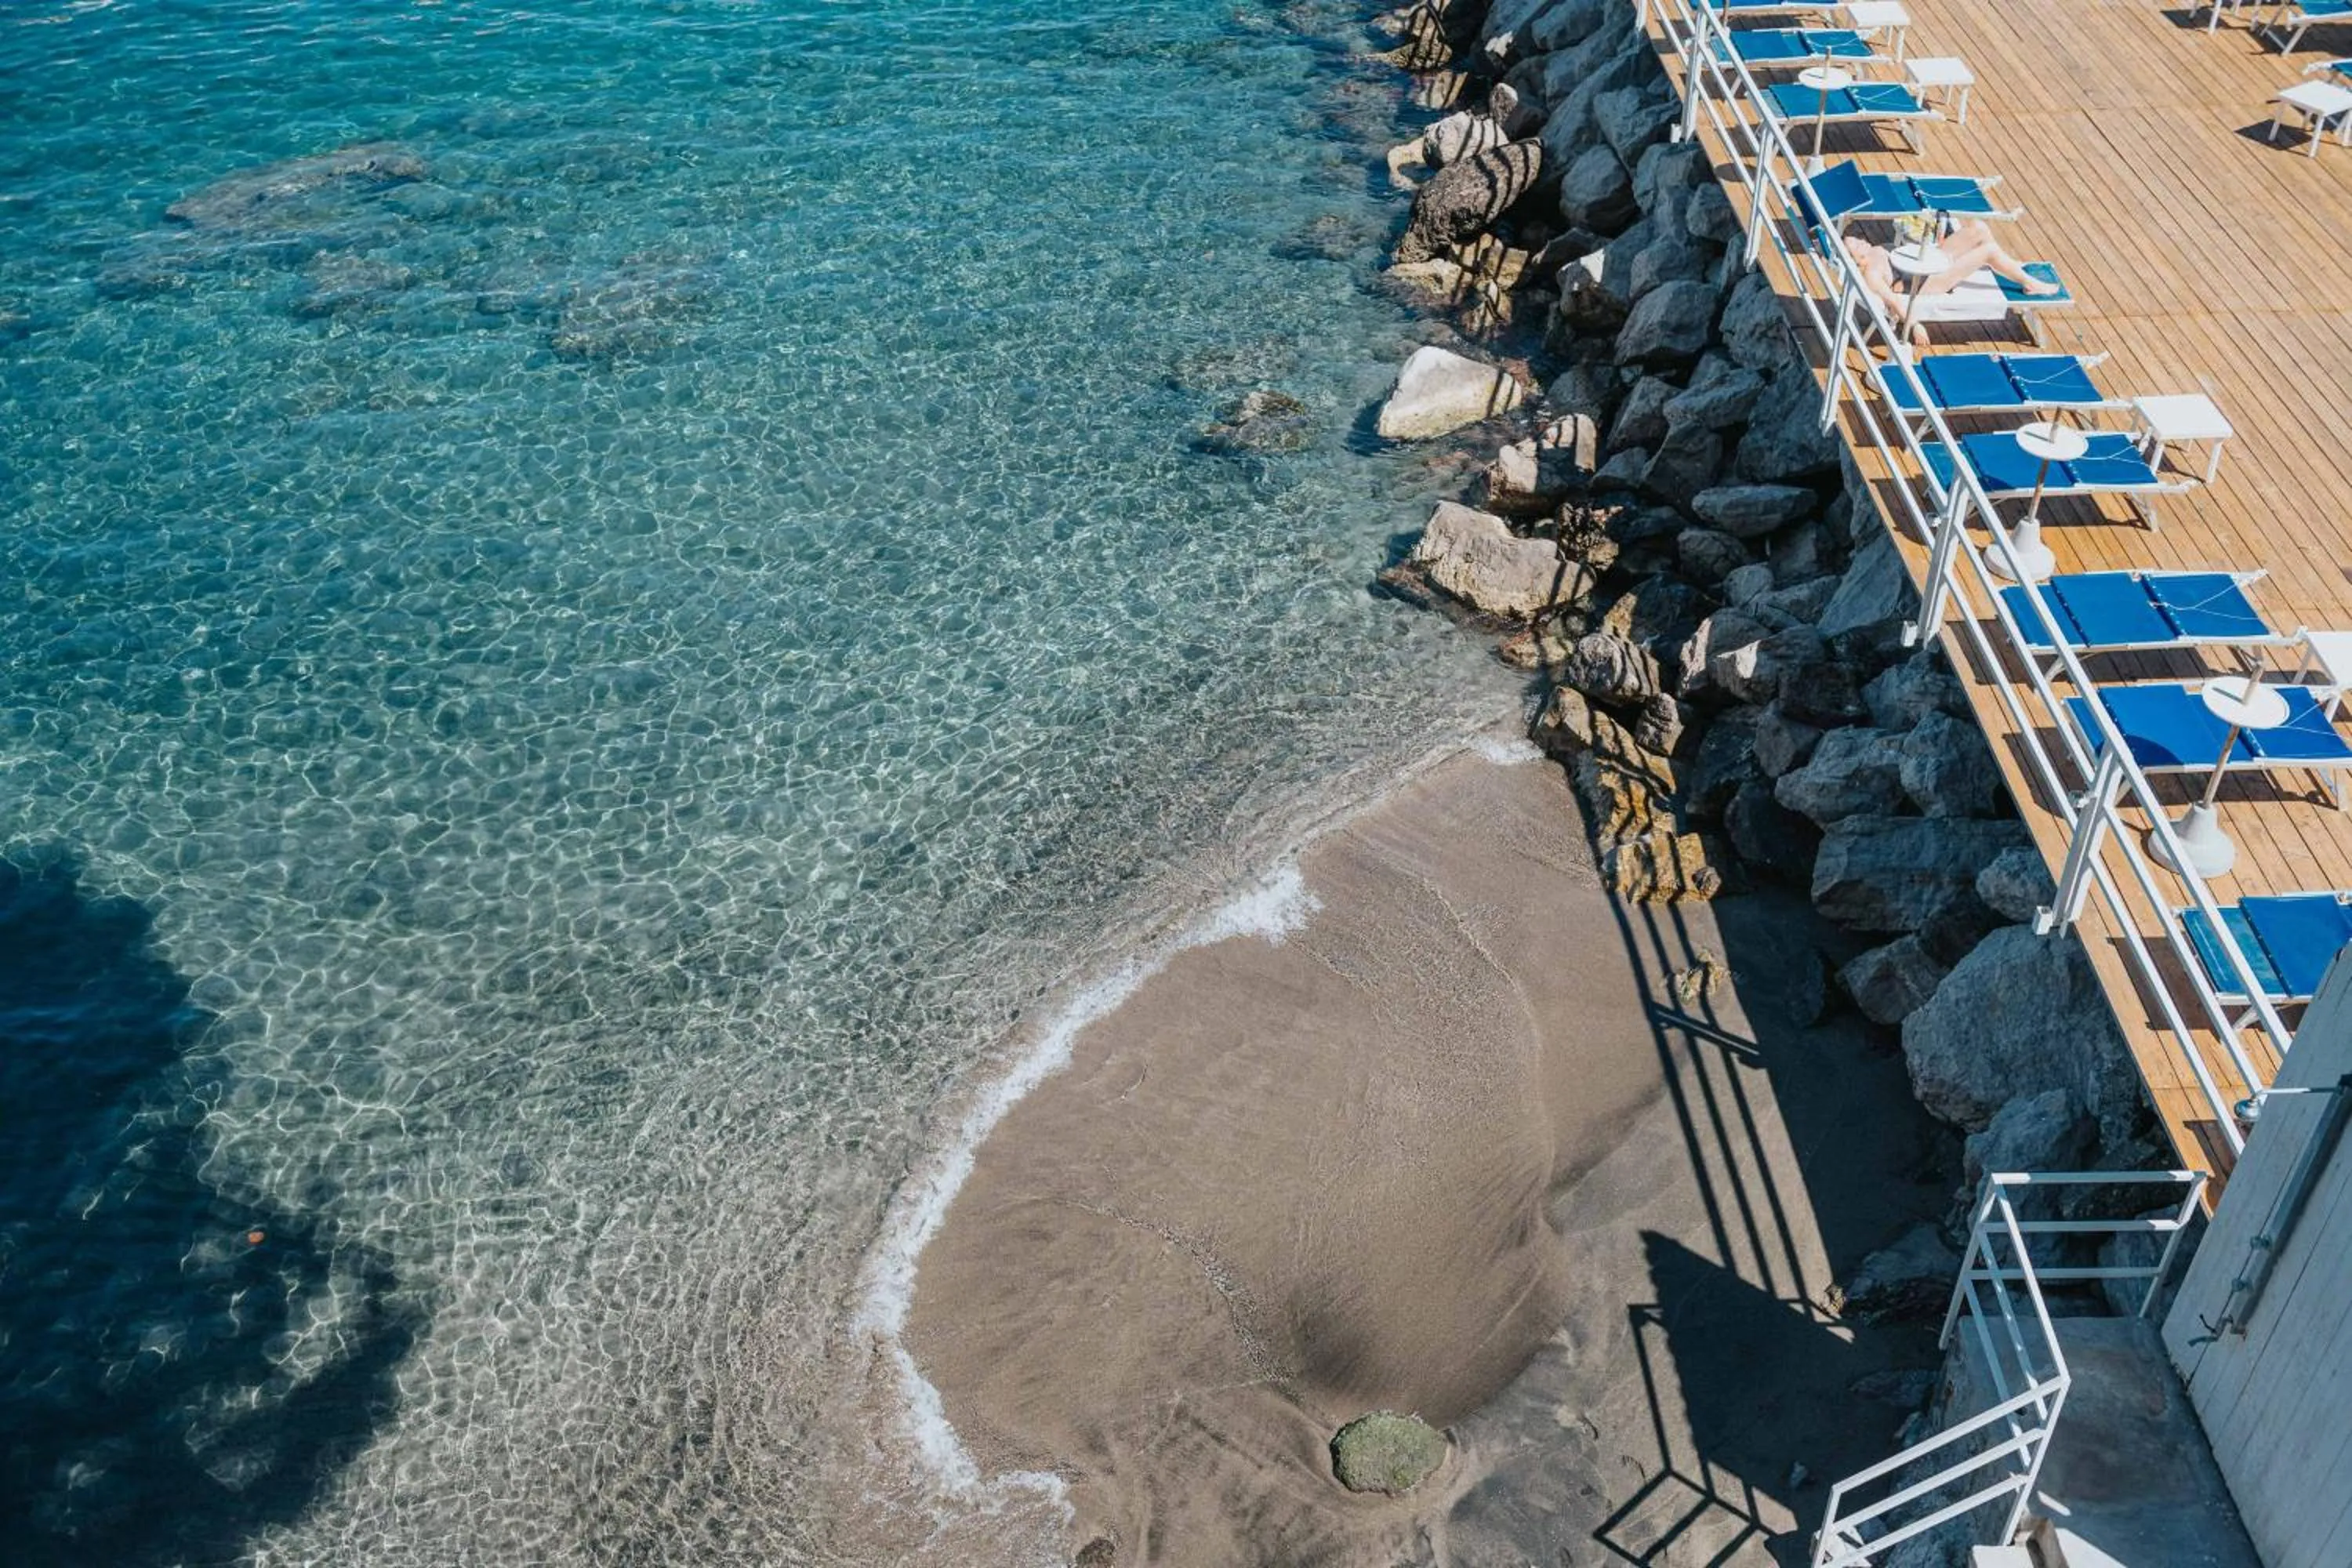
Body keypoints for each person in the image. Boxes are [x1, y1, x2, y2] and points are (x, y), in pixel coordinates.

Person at [1842, 221, 2059, 346]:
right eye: (1857, 246)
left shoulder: (1875, 250)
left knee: (1978, 228)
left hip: (1929, 261)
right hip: (1929, 283)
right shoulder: (1872, 273)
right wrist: (1915, 325)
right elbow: (1894, 302)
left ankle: (2009, 264)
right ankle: (2030, 283)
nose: (1862, 241)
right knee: (1988, 251)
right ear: (1857, 260)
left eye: (1858, 239)